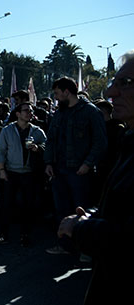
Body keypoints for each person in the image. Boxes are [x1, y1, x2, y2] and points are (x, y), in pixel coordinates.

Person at [57, 51, 134, 304]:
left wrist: (81, 227)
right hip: (61, 170)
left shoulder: (90, 112)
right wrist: (93, 214)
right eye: (114, 84)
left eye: (125, 83)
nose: (111, 94)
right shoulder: (130, 144)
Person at [44, 77, 107, 255]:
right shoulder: (59, 113)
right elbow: (51, 140)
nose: (55, 98)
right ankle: (65, 246)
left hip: (80, 172)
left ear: (67, 92)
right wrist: (48, 162)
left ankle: (86, 251)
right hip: (58, 170)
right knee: (62, 211)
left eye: (57, 93)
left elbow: (100, 142)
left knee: (82, 211)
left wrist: (88, 164)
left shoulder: (90, 112)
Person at [0, 102, 46, 247]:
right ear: (18, 114)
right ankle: (3, 234)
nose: (29, 113)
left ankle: (25, 234)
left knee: (28, 205)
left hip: (29, 173)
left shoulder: (37, 131)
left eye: (31, 110)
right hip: (11, 172)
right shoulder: (7, 130)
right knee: (6, 204)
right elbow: (0, 150)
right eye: (26, 110)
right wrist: (2, 170)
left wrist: (38, 148)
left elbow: (47, 145)